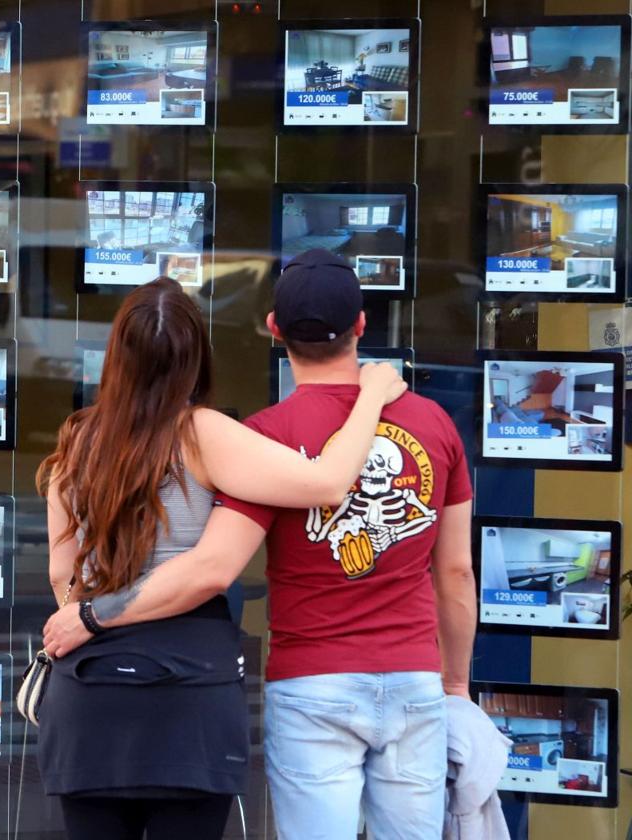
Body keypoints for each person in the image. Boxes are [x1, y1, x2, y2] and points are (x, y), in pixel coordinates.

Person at [42, 250, 477, 840]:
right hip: (209, 689)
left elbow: (64, 578)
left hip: (109, 690)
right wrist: (373, 394)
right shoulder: (214, 435)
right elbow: (432, 558)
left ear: (273, 328)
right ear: (361, 326)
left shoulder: (78, 442)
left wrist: (87, 615)